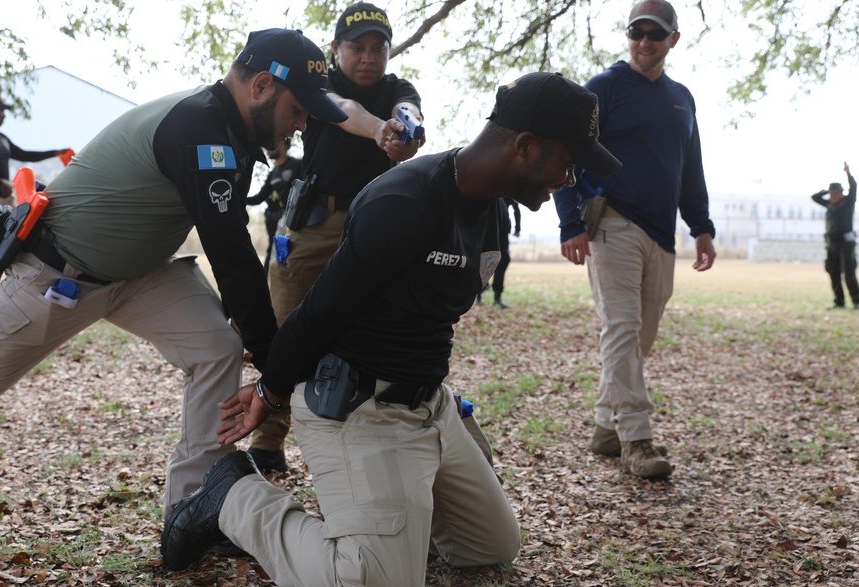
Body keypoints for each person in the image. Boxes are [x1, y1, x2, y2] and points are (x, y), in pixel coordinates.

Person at [0, 28, 347, 537]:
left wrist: (255, 340)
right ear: (263, 85)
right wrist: (276, 367)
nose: (304, 122)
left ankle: (194, 510)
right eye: (300, 108)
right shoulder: (199, 125)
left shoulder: (236, 129)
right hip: (55, 274)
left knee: (216, 348)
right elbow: (230, 249)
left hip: (139, 272)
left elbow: (229, 246)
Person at [159, 72, 622, 586]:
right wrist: (271, 389)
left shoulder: (488, 211)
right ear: (526, 146)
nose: (569, 178)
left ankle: (402, 515)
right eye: (568, 162)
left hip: (428, 407)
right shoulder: (405, 202)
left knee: (489, 544)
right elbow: (318, 315)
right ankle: (232, 495)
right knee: (375, 581)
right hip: (357, 406)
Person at [251, 1, 426, 473]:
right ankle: (267, 442)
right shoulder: (319, 82)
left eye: (378, 48)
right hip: (312, 225)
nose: (367, 57)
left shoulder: (397, 89)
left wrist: (406, 126)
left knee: (374, 333)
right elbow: (344, 110)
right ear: (336, 49)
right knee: (284, 330)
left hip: (375, 229)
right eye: (357, 47)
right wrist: (381, 131)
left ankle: (367, 439)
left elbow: (407, 108)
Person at [553, 0, 716, 480]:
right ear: (628, 37)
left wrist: (702, 227)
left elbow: (690, 168)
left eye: (655, 34)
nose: (644, 42)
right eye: (636, 33)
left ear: (673, 40)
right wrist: (570, 223)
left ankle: (606, 426)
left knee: (640, 337)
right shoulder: (602, 88)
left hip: (662, 234)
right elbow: (566, 152)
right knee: (621, 328)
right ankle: (636, 440)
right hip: (612, 225)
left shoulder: (682, 97)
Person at [0, 92, 69, 311]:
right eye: (1, 110)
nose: (4, 115)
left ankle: (11, 297)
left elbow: (25, 154)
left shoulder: (2, 139)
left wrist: (55, 152)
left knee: (13, 247)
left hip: (7, 200)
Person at [245, 140, 303, 272]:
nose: (268, 149)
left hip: (302, 219)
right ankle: (269, 281)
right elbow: (259, 197)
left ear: (282, 146)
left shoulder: (297, 165)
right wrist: (239, 199)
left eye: (272, 145)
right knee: (274, 249)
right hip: (286, 218)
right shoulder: (273, 173)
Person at [811, 162, 859, 309]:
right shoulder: (829, 204)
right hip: (832, 244)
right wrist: (825, 192)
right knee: (833, 271)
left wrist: (848, 174)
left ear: (840, 193)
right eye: (830, 193)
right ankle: (839, 301)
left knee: (849, 273)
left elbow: (854, 188)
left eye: (834, 193)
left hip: (846, 244)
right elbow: (814, 197)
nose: (832, 196)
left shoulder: (848, 202)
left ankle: (857, 301)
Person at [478, 198, 521, 307]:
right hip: (487, 228)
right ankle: (479, 292)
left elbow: (516, 208)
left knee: (502, 261)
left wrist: (517, 228)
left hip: (500, 229)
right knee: (481, 259)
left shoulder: (508, 188)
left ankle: (496, 296)